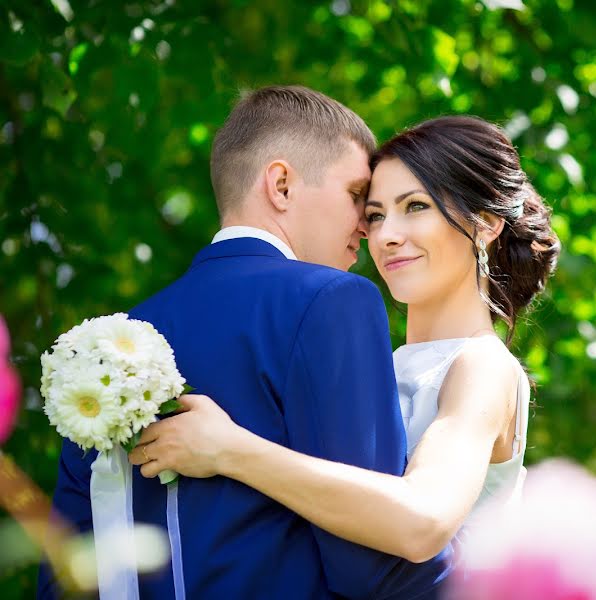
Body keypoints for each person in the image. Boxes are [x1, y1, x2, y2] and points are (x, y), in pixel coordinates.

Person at [38, 85, 454, 599]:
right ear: (280, 185)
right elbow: (372, 567)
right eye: (356, 198)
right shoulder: (333, 301)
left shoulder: (103, 353)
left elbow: (66, 576)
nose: (368, 230)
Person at [127, 115, 561, 563]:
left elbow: (423, 521)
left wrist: (229, 450)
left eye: (415, 206)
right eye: (374, 215)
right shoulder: (377, 363)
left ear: (486, 224)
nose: (385, 236)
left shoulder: (481, 366)